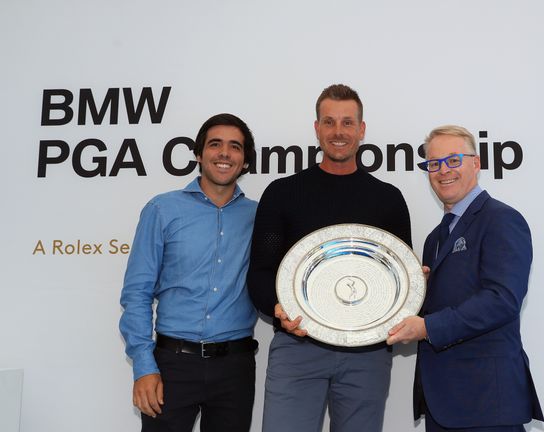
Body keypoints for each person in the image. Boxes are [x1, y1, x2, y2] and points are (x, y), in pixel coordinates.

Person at [247, 84, 412, 432]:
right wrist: (279, 309)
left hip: (367, 354)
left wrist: (414, 290)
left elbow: (402, 277)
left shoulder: (389, 199)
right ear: (317, 128)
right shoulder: (282, 194)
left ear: (361, 130)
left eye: (348, 123)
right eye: (330, 122)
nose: (339, 132)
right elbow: (262, 271)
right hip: (298, 345)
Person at [387, 125, 543, 431]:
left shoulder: (501, 220)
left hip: (486, 402)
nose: (443, 170)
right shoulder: (435, 238)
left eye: (454, 160)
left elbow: (503, 300)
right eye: (434, 164)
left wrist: (427, 327)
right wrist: (412, 292)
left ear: (476, 163)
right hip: (442, 402)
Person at [119, 113, 259, 431]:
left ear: (245, 161)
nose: (224, 153)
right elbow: (137, 293)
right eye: (215, 144)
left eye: (235, 146)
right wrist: (143, 365)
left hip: (235, 369)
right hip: (171, 365)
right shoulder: (162, 210)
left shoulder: (259, 216)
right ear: (198, 154)